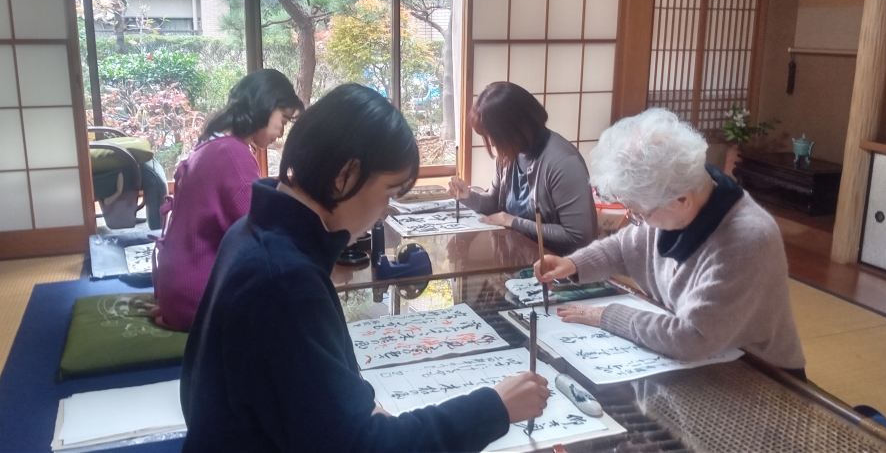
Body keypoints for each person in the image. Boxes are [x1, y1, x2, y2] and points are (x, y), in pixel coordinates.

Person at [181, 84, 551, 452]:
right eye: (388, 193)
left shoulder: (250, 234)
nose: (386, 210)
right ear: (345, 175)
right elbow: (363, 447)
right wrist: (495, 407)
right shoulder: (284, 280)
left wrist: (353, 405)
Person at [535, 108, 807, 380]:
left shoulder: (746, 239)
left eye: (640, 213)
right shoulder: (674, 203)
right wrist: (572, 264)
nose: (637, 220)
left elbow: (690, 337)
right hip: (702, 363)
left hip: (757, 373)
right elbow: (622, 248)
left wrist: (606, 316)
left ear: (681, 200)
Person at [151, 69, 304, 331]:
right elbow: (259, 233)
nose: (281, 132)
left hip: (179, 284)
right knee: (295, 297)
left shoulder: (213, 144)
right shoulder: (234, 155)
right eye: (284, 120)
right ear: (266, 106)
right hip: (200, 295)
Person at [447, 82, 597, 256]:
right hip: (521, 259)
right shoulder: (510, 154)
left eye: (492, 135)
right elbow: (496, 204)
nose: (491, 142)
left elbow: (578, 237)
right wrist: (468, 196)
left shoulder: (563, 164)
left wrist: (514, 222)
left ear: (513, 130)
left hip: (561, 268)